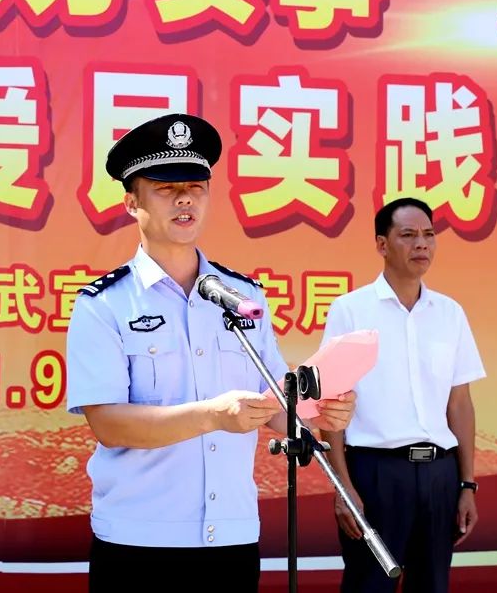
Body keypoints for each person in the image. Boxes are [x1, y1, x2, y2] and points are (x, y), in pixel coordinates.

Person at [65, 112, 356, 593]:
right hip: (140, 541)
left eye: (196, 187)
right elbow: (109, 424)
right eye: (166, 187)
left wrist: (318, 410)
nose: (185, 199)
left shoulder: (242, 297)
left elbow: (275, 404)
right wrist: (213, 416)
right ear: (131, 202)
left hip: (231, 538)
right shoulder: (104, 304)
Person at [320, 197, 486, 593]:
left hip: (440, 475)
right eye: (408, 235)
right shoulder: (351, 310)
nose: (421, 244)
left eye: (429, 234)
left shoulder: (450, 313)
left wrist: (467, 485)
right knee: (369, 585)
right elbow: (330, 405)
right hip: (375, 475)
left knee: (432, 585)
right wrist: (343, 489)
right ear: (382, 244)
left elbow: (459, 404)